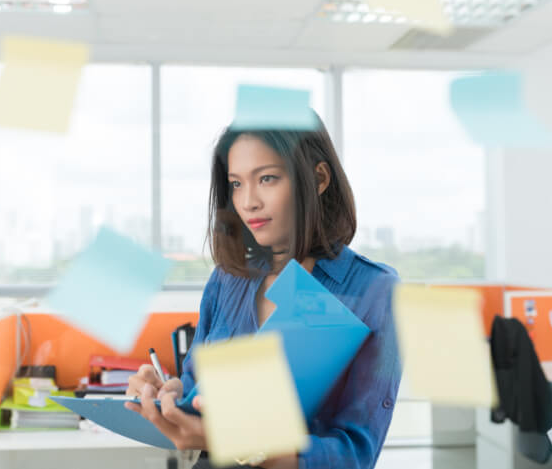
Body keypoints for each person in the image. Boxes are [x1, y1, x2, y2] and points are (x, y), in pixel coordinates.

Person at [126, 113, 402, 469]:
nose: (248, 202)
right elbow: (198, 390)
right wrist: (168, 394)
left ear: (318, 179)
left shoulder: (374, 291)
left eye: (267, 178)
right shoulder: (228, 279)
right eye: (236, 184)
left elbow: (356, 452)